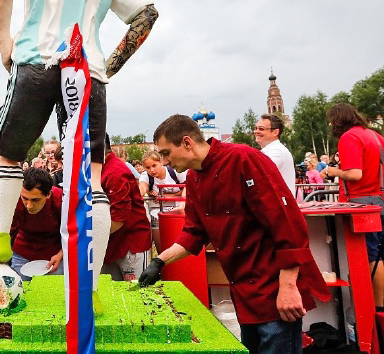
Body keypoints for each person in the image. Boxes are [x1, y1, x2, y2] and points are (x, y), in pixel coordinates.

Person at [0, 0, 158, 314]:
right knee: (92, 177)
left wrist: (5, 42)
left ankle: (0, 246)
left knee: (9, 153)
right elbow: (147, 14)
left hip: (39, 58)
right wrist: (110, 65)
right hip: (89, 73)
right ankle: (90, 283)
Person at [138, 115, 330, 353]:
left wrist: (289, 286)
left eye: (166, 153)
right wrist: (159, 261)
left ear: (187, 142)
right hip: (242, 289)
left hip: (274, 285)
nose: (165, 162)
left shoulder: (244, 159)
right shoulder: (194, 178)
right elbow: (193, 233)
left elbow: (288, 224)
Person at [326, 103, 384, 308]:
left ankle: (377, 308)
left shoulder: (349, 137)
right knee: (379, 255)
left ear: (338, 120)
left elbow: (354, 174)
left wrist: (334, 172)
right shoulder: (375, 136)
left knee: (370, 257)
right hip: (379, 200)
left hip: (360, 205)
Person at [100, 135, 152, 282]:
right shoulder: (101, 169)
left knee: (135, 293)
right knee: (109, 293)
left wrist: (91, 237)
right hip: (112, 243)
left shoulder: (115, 172)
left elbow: (119, 217)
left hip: (130, 244)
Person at [10, 168, 64, 281]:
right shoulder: (13, 198)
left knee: (53, 290)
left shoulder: (61, 200)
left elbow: (73, 232)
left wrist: (61, 254)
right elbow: (9, 230)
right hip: (23, 252)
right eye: (25, 198)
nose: (29, 206)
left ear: (48, 194)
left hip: (54, 254)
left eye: (35, 200)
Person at [138, 150, 185, 252]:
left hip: (179, 214)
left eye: (154, 165)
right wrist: (140, 194)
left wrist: (171, 196)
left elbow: (189, 186)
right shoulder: (146, 176)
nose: (152, 170)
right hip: (157, 215)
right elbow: (142, 187)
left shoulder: (174, 172)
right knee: (162, 249)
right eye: (148, 167)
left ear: (161, 162)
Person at [254, 113, 296, 198]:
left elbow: (257, 174)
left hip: (281, 206)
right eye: (256, 128)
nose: (256, 131)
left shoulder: (277, 152)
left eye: (261, 129)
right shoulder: (269, 151)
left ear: (275, 132)